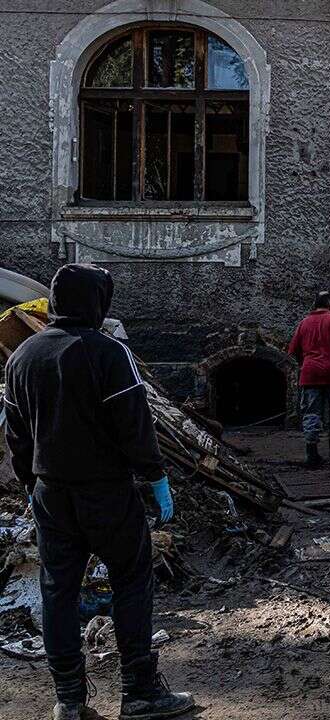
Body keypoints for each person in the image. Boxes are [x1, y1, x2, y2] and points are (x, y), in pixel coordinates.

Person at [3, 264, 194, 720]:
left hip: (51, 494)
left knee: (59, 592)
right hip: (106, 493)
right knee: (131, 581)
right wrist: (156, 478)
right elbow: (134, 424)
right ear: (96, 303)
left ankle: (69, 701)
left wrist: (31, 485)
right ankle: (140, 692)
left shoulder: (22, 357)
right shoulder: (109, 353)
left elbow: (16, 433)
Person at [287, 291, 330, 466]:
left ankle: (312, 452)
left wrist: (306, 363)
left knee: (311, 412)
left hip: (310, 373)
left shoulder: (304, 323)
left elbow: (293, 351)